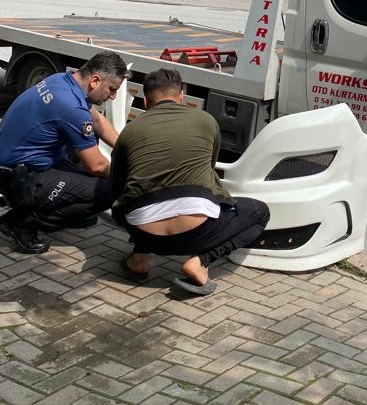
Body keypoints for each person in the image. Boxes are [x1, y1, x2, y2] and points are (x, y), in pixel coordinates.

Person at [110, 67, 269, 296]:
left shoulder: (130, 130)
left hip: (144, 231)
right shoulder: (206, 121)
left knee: (143, 196)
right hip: (197, 232)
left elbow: (117, 188)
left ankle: (139, 261)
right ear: (182, 96)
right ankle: (200, 262)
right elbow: (208, 169)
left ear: (146, 101)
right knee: (259, 212)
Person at [0, 51, 129, 254]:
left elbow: (97, 121)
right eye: (112, 89)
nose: (112, 96)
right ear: (95, 80)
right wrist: (130, 177)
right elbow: (97, 165)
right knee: (111, 188)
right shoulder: (71, 108)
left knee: (87, 167)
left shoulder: (62, 80)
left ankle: (69, 211)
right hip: (18, 176)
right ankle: (19, 222)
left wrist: (129, 148)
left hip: (23, 160)